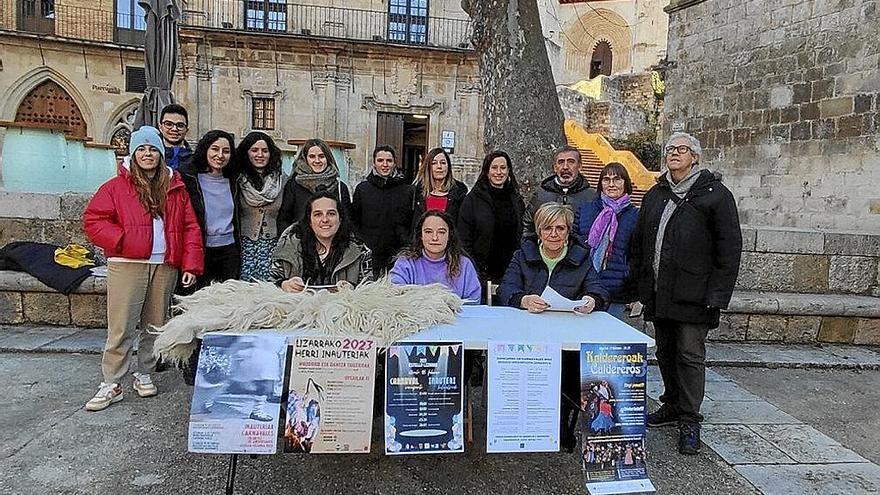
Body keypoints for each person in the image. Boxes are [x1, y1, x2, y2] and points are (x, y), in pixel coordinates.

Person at [628, 131, 742, 455]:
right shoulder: (656, 193)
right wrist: (640, 286)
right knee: (664, 352)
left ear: (695, 157)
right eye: (670, 149)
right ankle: (672, 404)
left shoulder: (715, 195)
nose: (674, 153)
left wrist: (717, 295)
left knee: (690, 356)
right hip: (659, 291)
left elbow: (729, 249)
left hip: (695, 294)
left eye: (682, 149)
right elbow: (639, 243)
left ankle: (690, 419)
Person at [82, 125, 204, 411]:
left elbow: (190, 227)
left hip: (164, 264)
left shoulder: (174, 187)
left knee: (155, 324)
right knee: (121, 325)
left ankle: (145, 373)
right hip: (127, 263)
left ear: (160, 154)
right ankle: (112, 381)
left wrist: (190, 264)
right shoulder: (115, 187)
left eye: (152, 149)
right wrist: (122, 240)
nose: (147, 154)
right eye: (142, 149)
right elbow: (94, 220)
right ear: (134, 153)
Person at [498, 202, 608, 452]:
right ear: (538, 231)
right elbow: (506, 289)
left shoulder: (581, 257)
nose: (554, 234)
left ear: (569, 231)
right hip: (528, 333)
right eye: (548, 228)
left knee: (571, 369)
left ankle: (561, 424)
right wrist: (524, 300)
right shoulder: (522, 255)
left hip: (567, 336)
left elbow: (599, 290)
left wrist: (592, 300)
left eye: (560, 228)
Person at [573, 162, 640, 320]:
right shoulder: (585, 210)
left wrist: (630, 282)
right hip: (583, 287)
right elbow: (574, 245)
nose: (611, 184)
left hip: (616, 290)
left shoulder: (636, 216)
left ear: (625, 183)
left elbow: (638, 255)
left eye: (617, 179)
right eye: (606, 179)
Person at [269, 191, 372, 291]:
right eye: (318, 214)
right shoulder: (289, 247)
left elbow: (370, 288)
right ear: (309, 221)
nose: (325, 219)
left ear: (340, 219)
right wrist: (284, 284)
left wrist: (352, 289)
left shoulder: (359, 250)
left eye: (331, 213)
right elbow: (270, 283)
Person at [458, 150, 525, 301]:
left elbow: (522, 234)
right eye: (494, 168)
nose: (499, 172)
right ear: (487, 171)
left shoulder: (516, 200)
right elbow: (464, 239)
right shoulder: (472, 200)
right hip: (480, 272)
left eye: (503, 168)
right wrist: (474, 269)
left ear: (508, 171)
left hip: (510, 271)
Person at [179, 130, 241, 289]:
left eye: (226, 151)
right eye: (215, 149)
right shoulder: (188, 178)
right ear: (205, 149)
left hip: (229, 250)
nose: (220, 155)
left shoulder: (234, 179)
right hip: (200, 249)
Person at [351, 145, 414, 277]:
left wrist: (407, 244)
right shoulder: (362, 189)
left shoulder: (408, 190)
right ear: (374, 163)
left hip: (398, 255)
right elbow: (354, 221)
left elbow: (411, 221)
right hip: (369, 255)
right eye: (380, 160)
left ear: (395, 163)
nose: (385, 164)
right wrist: (362, 244)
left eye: (389, 161)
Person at [390, 210, 481, 302]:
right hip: (415, 315)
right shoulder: (406, 263)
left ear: (449, 235)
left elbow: (473, 301)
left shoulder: (464, 265)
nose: (434, 238)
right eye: (428, 232)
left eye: (441, 232)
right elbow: (395, 295)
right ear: (420, 235)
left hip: (457, 315)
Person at [235, 131, 288, 282]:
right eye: (254, 150)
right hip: (244, 248)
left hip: (273, 247)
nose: (260, 155)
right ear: (247, 153)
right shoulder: (237, 180)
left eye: (265, 151)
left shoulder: (283, 181)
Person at [277, 138, 352, 237]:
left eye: (321, 156)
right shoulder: (294, 185)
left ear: (328, 158)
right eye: (312, 156)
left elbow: (347, 219)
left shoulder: (340, 187)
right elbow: (284, 218)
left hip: (333, 244)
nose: (317, 161)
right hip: (301, 243)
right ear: (305, 159)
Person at [525, 145, 597, 234]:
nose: (565, 167)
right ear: (555, 167)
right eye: (561, 162)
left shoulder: (592, 197)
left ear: (579, 166)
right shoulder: (541, 194)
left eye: (571, 162)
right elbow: (527, 226)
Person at [411, 147, 468, 229]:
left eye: (443, 163)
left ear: (448, 167)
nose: (439, 166)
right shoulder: (417, 192)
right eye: (434, 163)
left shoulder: (459, 194)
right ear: (428, 167)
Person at [158, 104, 193, 172]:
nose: (174, 129)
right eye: (168, 124)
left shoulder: (195, 160)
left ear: (186, 130)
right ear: (160, 127)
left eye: (180, 125)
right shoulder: (151, 157)